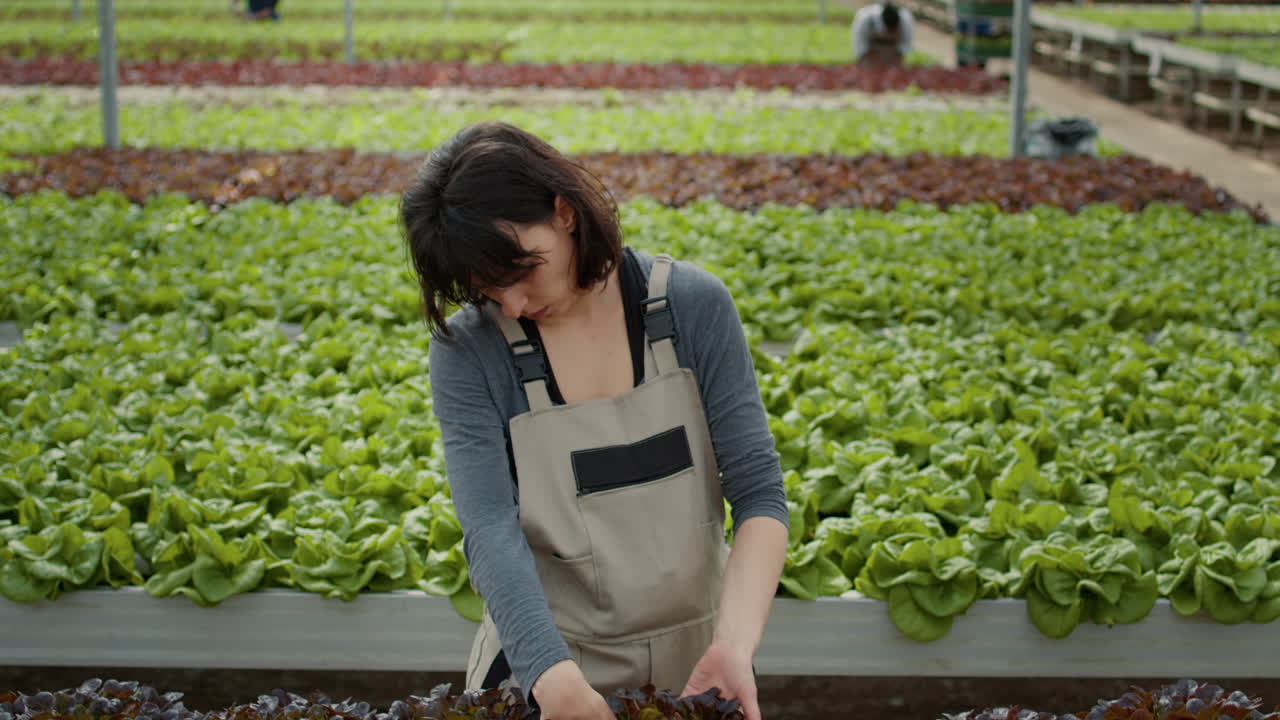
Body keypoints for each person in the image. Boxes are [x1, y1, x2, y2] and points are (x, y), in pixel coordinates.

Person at [400, 122, 789, 720]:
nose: (513, 306)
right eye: (486, 289)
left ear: (564, 212)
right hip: (544, 668)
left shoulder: (691, 306)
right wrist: (554, 682)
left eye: (521, 271)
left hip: (700, 665)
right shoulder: (469, 350)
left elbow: (759, 493)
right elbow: (489, 530)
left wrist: (734, 646)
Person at [851, 2, 914, 67]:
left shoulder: (906, 21)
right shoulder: (865, 19)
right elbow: (861, 47)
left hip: (892, 54)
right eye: (888, 31)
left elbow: (904, 47)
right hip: (870, 54)